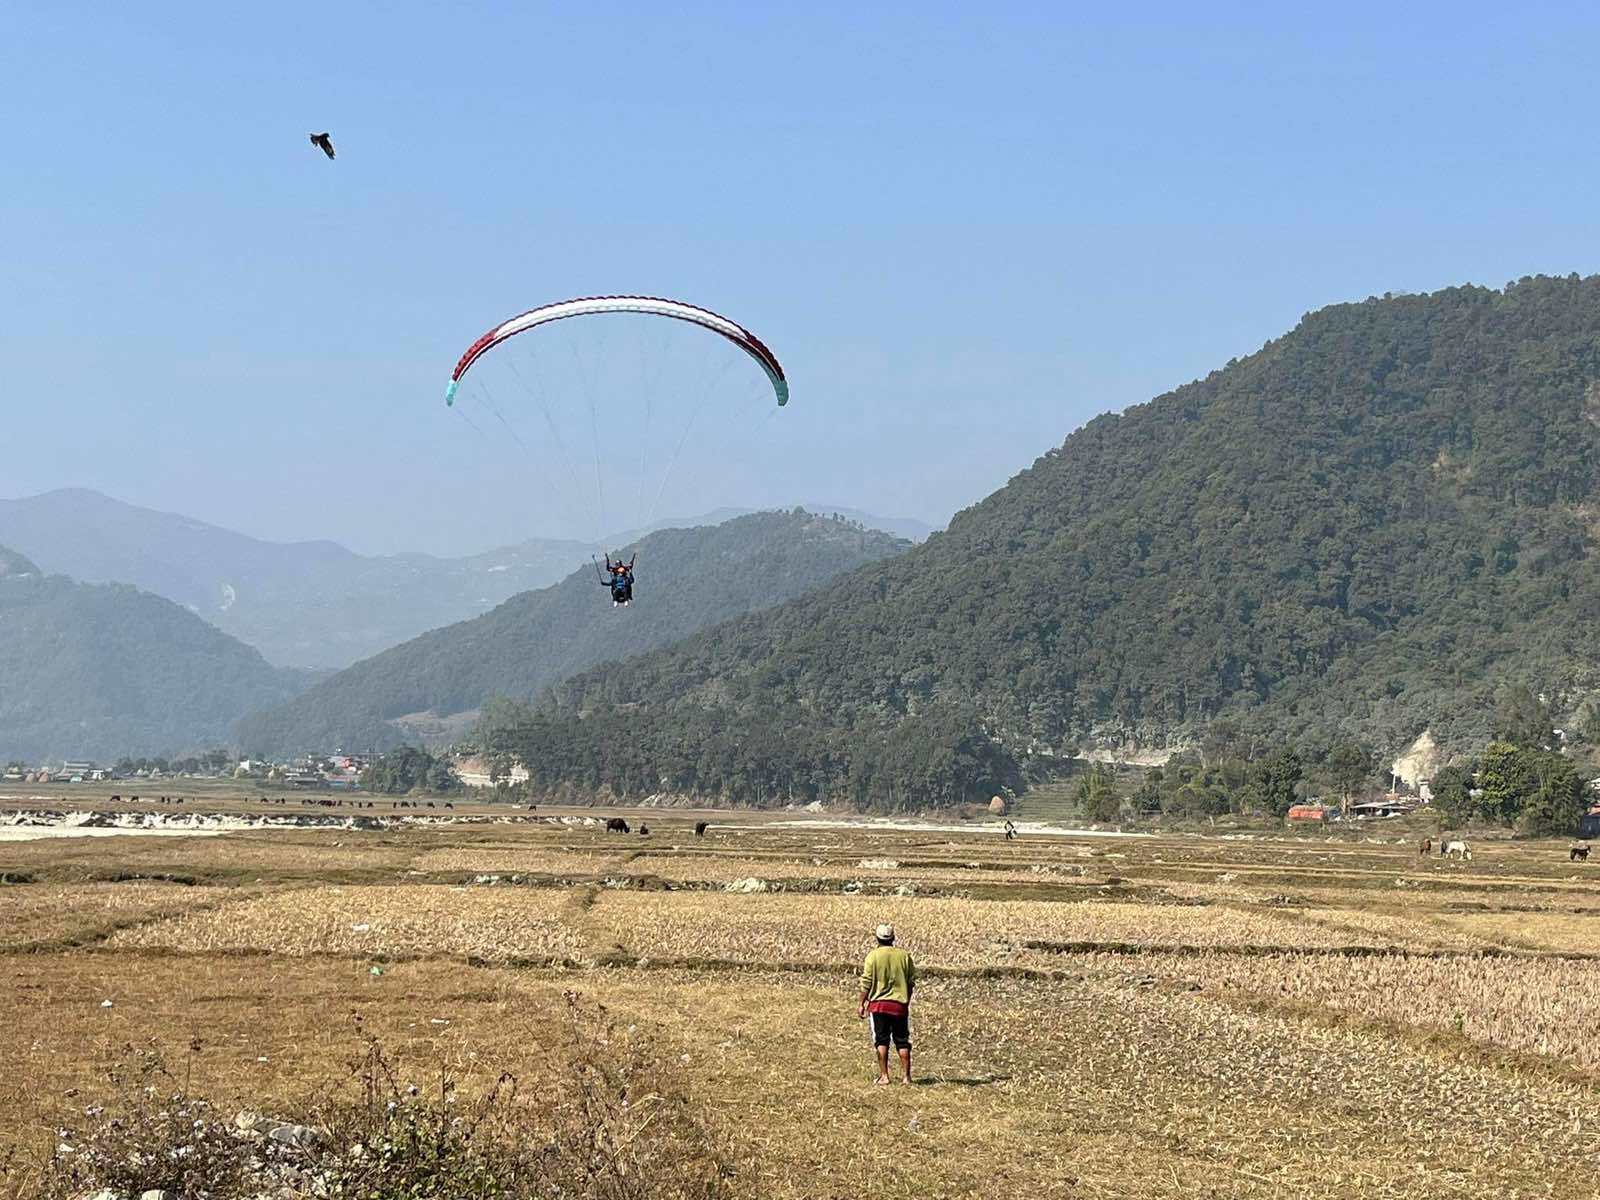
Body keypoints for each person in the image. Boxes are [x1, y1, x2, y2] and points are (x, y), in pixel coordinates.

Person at [857, 922, 916, 1085]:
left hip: (879, 1006)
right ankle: (906, 1077)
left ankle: (884, 1076)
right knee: (902, 1041)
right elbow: (911, 982)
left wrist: (862, 1003)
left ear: (877, 939)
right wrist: (906, 1001)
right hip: (899, 1006)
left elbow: (866, 983)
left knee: (881, 1041)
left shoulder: (872, 956)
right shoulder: (904, 956)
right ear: (893, 938)